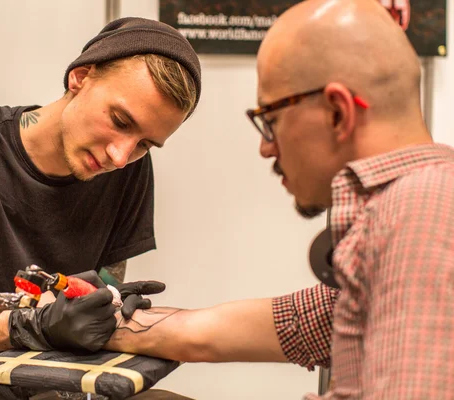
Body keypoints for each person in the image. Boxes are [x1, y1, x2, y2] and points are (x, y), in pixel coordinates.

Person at [104, 0, 454, 398]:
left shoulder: (419, 218)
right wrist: (84, 320)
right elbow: (224, 331)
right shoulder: (413, 212)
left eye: (270, 120)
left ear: (338, 113)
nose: (266, 149)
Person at [0, 17, 201, 397]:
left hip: (60, 383)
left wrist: (112, 309)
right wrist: (33, 324)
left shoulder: (127, 173)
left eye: (144, 144)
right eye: (119, 120)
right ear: (81, 77)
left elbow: (101, 295)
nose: (121, 156)